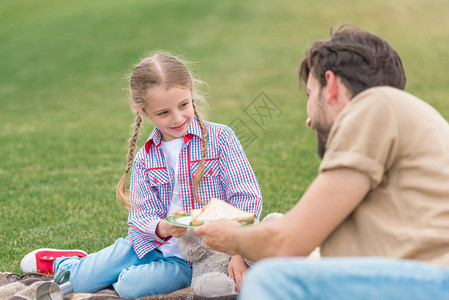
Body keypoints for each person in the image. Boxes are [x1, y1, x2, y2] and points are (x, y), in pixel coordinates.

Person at [194, 25, 449, 299]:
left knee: (272, 280)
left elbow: (288, 242)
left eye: (310, 94)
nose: (308, 120)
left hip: (430, 282)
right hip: (417, 278)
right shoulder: (402, 118)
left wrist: (232, 237)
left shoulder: (373, 106)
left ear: (332, 86)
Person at [20, 52, 262, 298]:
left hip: (189, 260)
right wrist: (163, 227)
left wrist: (238, 252)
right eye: (163, 113)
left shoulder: (220, 138)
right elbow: (140, 215)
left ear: (191, 92)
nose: (178, 118)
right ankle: (68, 263)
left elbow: (247, 197)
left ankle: (114, 271)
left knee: (130, 287)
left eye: (183, 105)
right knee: (83, 280)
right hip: (149, 244)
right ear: (143, 111)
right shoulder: (146, 156)